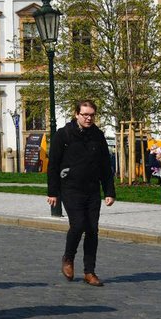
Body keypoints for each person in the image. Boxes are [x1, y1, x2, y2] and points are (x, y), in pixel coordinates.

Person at [47, 99, 116, 287]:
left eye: (92, 115)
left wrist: (109, 191)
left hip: (92, 189)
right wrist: (53, 192)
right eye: (85, 114)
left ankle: (89, 271)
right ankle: (68, 258)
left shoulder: (98, 136)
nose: (88, 118)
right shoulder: (64, 135)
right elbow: (53, 165)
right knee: (78, 225)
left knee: (92, 230)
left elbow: (105, 166)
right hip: (70, 188)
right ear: (76, 114)